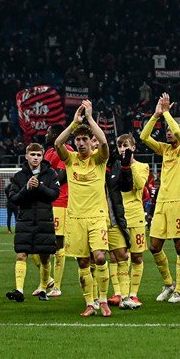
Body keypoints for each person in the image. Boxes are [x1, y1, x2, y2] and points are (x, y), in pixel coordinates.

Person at [54, 100, 112, 317]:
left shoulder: (99, 160)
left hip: (96, 217)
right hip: (75, 218)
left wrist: (89, 118)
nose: (80, 143)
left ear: (91, 141)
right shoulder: (70, 160)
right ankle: (90, 303)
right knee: (83, 261)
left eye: (84, 139)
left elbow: (105, 142)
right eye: (77, 140)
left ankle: (103, 300)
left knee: (99, 258)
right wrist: (73, 124)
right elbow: (57, 144)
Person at [139, 93, 180, 304]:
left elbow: (179, 134)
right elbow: (144, 137)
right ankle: (168, 283)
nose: (169, 133)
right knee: (154, 246)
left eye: (172, 131)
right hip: (161, 202)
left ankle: (179, 290)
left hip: (179, 201)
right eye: (167, 130)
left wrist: (168, 114)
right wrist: (156, 115)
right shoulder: (165, 150)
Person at [6, 143, 60, 303]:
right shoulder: (18, 177)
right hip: (25, 221)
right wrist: (26, 188)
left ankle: (43, 288)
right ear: (26, 156)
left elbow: (54, 195)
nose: (35, 158)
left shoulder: (51, 174)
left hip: (45, 221)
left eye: (38, 155)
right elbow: (14, 198)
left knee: (44, 258)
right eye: (33, 155)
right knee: (21, 254)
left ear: (42, 156)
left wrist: (40, 187)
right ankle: (19, 290)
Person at [115, 133, 150, 308]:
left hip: (135, 217)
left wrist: (128, 165)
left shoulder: (143, 166)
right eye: (120, 146)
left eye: (126, 145)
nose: (123, 149)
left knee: (137, 257)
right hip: (118, 217)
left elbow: (139, 185)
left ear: (134, 147)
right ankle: (121, 294)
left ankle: (134, 294)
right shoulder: (114, 166)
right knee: (120, 257)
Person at [102, 133, 134, 310]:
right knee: (95, 259)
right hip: (93, 217)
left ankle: (125, 296)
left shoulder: (115, 165)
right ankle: (95, 299)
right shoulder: (87, 164)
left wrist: (125, 167)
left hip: (114, 218)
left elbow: (126, 186)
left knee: (121, 255)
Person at [43, 124, 69, 297]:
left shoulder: (65, 150)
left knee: (58, 242)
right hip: (45, 201)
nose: (46, 135)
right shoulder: (47, 152)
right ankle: (46, 280)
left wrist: (42, 184)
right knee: (37, 243)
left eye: (48, 133)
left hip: (61, 201)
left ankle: (57, 287)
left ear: (56, 135)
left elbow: (60, 176)